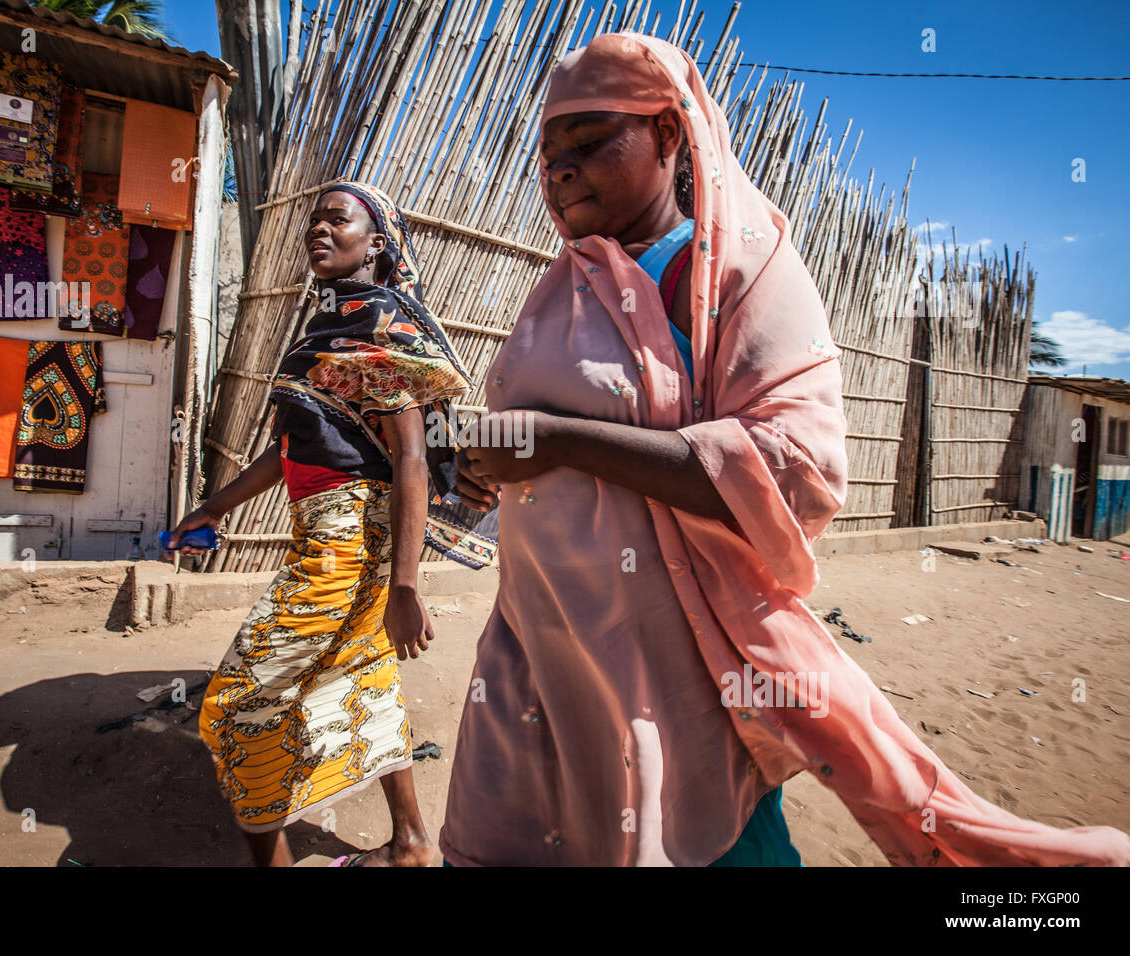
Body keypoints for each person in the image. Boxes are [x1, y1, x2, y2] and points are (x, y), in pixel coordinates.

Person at [437, 32, 1130, 866]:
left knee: (695, 828)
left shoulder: (734, 276)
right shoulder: (564, 289)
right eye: (548, 155)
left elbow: (791, 464)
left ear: (667, 133)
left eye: (588, 144)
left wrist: (562, 441)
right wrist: (483, 464)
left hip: (674, 652)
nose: (561, 170)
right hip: (534, 642)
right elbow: (524, 441)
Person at [167, 181, 476, 867]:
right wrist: (215, 507)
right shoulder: (321, 331)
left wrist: (405, 585)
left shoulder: (379, 325)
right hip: (318, 531)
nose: (319, 229)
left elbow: (412, 460)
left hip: (350, 541)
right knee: (360, 674)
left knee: (241, 700)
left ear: (378, 243)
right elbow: (286, 452)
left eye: (338, 219)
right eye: (314, 220)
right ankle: (413, 845)